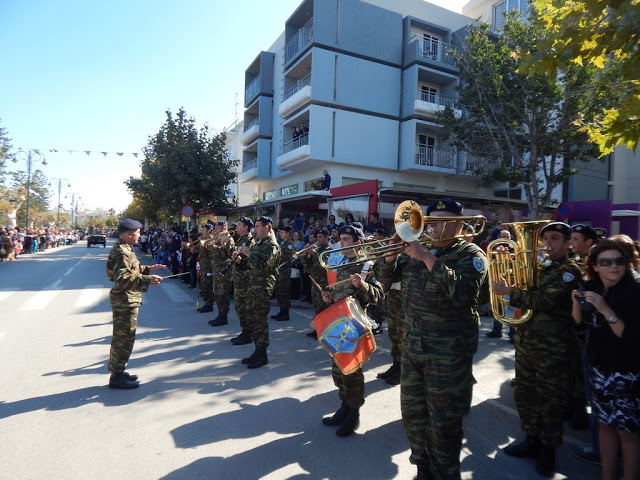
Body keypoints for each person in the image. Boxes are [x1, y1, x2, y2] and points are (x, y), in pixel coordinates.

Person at [375, 198, 487, 480]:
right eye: (430, 221)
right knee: (413, 416)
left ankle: (446, 472)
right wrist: (391, 253)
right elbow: (383, 278)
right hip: (413, 347)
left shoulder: (470, 253)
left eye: (440, 222)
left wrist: (427, 257)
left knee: (444, 422)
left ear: (459, 224)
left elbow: (464, 295)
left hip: (448, 353)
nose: (432, 227)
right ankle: (422, 467)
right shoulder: (414, 249)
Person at [492, 221, 582, 477]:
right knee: (525, 394)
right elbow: (522, 291)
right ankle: (531, 438)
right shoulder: (541, 266)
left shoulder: (569, 271)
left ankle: (549, 450)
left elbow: (546, 301)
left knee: (550, 400)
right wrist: (507, 273)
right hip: (526, 342)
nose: (548, 244)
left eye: (555, 239)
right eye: (546, 239)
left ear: (567, 243)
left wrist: (510, 292)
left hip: (553, 349)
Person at [572, 238, 640, 480]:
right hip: (598, 368)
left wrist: (605, 309)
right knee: (603, 425)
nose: (614, 266)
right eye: (606, 262)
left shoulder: (635, 292)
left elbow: (631, 338)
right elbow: (579, 325)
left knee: (627, 434)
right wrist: (576, 304)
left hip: (626, 373)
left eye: (619, 261)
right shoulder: (593, 287)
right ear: (595, 266)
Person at [320, 224, 383, 437]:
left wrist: (361, 286)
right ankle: (344, 406)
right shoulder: (345, 261)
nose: (341, 242)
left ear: (358, 242)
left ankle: (353, 413)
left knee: (352, 372)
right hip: (340, 324)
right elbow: (341, 290)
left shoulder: (368, 265)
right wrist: (329, 296)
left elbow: (377, 296)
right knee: (338, 370)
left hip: (355, 325)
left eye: (346, 239)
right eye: (341, 238)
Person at [105, 219, 164, 389]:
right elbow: (122, 278)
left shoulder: (125, 248)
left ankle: (119, 371)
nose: (140, 235)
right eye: (138, 232)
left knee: (125, 338)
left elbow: (127, 270)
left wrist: (148, 269)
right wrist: (148, 280)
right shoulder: (122, 252)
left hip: (126, 299)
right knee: (123, 339)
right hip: (124, 300)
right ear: (129, 234)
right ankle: (116, 376)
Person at [239, 216, 281, 369]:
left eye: (257, 226)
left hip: (262, 288)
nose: (254, 229)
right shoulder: (259, 243)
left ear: (267, 228)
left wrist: (249, 254)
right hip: (253, 286)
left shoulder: (272, 246)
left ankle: (262, 354)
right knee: (251, 318)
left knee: (260, 320)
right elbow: (251, 266)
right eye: (255, 226)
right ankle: (257, 350)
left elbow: (263, 265)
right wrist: (240, 260)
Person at [486, 229, 516, 342]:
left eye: (506, 236)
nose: (504, 238)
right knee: (497, 307)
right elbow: (491, 263)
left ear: (510, 237)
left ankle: (513, 334)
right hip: (498, 281)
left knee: (511, 308)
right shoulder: (494, 248)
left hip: (511, 282)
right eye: (502, 236)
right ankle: (496, 330)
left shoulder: (515, 249)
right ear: (499, 236)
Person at [230, 217, 255, 346]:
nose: (236, 227)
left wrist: (240, 261)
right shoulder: (241, 240)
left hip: (245, 279)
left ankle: (248, 333)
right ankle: (245, 331)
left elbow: (252, 263)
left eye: (239, 225)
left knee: (244, 308)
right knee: (239, 307)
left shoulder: (250, 241)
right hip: (239, 278)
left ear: (246, 227)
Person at [303, 228, 332, 338]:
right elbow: (308, 263)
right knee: (316, 306)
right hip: (315, 281)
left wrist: (314, 254)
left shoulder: (330, 249)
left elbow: (326, 264)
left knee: (324, 308)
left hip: (324, 283)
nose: (318, 239)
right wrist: (307, 254)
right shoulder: (318, 248)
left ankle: (325, 332)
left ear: (326, 237)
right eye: (317, 237)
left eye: (320, 237)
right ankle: (317, 329)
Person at [209, 221, 235, 327]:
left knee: (222, 294)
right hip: (217, 270)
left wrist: (211, 245)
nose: (215, 230)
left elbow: (222, 253)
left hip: (224, 271)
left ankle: (223, 316)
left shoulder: (229, 239)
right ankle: (220, 314)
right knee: (217, 293)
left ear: (223, 228)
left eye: (217, 228)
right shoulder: (217, 238)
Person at [272, 225, 294, 321]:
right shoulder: (283, 243)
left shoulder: (289, 244)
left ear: (288, 234)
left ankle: (285, 313)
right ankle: (281, 311)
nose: (280, 234)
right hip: (279, 271)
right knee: (279, 292)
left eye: (283, 232)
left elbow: (287, 257)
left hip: (284, 272)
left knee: (284, 292)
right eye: (280, 232)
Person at [197, 223, 216, 314]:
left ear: (210, 230)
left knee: (207, 286)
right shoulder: (203, 239)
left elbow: (213, 253)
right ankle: (207, 303)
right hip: (203, 266)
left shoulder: (211, 240)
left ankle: (209, 304)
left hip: (208, 267)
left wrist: (210, 270)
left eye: (204, 230)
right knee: (204, 285)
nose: (202, 231)